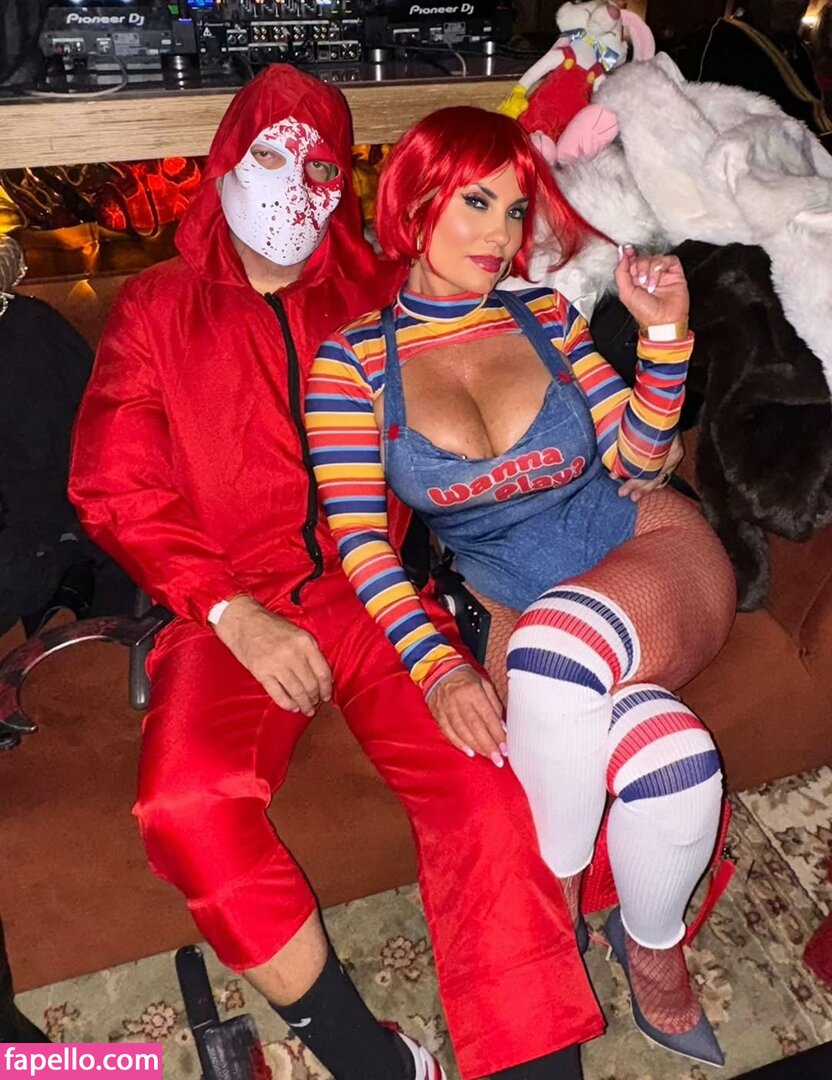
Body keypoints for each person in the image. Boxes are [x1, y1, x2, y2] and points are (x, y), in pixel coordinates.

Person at [69, 68, 605, 1080]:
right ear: (223, 164)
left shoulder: (378, 295)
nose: (294, 183)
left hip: (379, 596)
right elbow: (115, 483)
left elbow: (498, 320)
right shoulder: (155, 310)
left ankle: (535, 1060)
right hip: (226, 605)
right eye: (270, 154)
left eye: (320, 165)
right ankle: (373, 1060)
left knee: (487, 786)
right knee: (185, 807)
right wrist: (230, 612)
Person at [307, 105, 737, 1068]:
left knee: (556, 646)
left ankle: (563, 905)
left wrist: (664, 338)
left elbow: (640, 464)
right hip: (517, 608)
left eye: (514, 210)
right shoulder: (352, 364)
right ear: (415, 201)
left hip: (646, 553)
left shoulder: (542, 314)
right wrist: (440, 670)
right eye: (477, 203)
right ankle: (651, 948)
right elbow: (363, 545)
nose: (501, 235)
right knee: (672, 765)